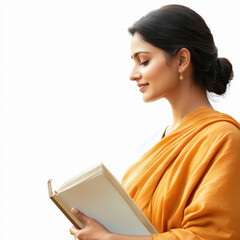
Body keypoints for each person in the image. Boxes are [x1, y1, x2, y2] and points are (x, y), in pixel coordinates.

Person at [70, 4, 240, 240]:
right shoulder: (153, 143)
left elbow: (213, 235)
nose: (133, 74)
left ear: (182, 60)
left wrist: (110, 239)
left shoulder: (224, 138)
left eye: (144, 61)